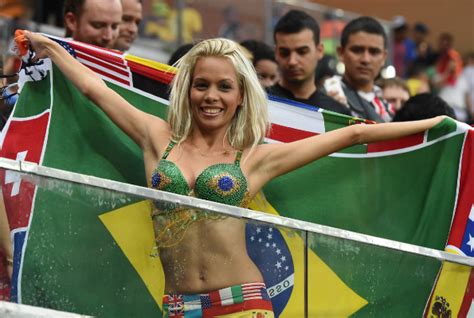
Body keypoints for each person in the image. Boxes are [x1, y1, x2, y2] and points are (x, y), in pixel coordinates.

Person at [22, 31, 448, 317]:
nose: (211, 96)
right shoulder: (156, 137)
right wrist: (54, 49)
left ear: (241, 96)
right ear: (187, 89)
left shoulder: (255, 159)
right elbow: (96, 90)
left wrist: (441, 129)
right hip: (177, 305)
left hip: (243, 303)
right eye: (202, 85)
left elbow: (354, 134)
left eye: (224, 87)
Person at [269, 10, 351, 116]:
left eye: (302, 52)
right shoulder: (258, 102)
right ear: (276, 53)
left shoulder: (336, 114)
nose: (292, 61)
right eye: (284, 53)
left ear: (319, 51)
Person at [329, 16, 394, 122]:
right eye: (357, 50)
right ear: (341, 53)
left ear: (384, 58)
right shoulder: (327, 95)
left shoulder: (389, 107)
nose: (366, 59)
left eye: (374, 52)